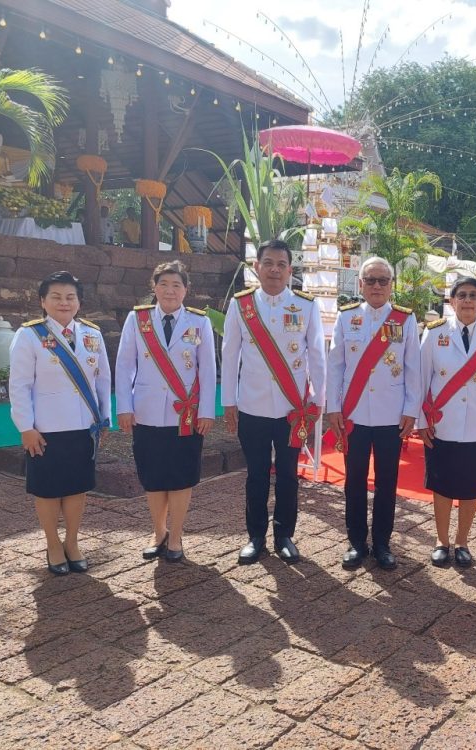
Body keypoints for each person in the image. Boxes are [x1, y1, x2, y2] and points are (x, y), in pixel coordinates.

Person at [222, 239, 325, 565]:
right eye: (268, 263)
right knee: (255, 474)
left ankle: (284, 536)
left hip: (291, 410)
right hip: (252, 406)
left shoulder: (305, 306)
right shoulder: (241, 305)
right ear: (257, 267)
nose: (275, 270)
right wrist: (228, 402)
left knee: (288, 474)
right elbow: (230, 355)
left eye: (281, 264)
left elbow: (317, 356)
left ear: (290, 270)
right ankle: (255, 537)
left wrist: (318, 401)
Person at [8, 271, 111, 575]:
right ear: (43, 301)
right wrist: (26, 427)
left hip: (84, 426)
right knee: (48, 490)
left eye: (70, 297)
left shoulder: (92, 334)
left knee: (77, 488)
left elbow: (103, 380)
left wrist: (103, 418)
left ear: (79, 302)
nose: (64, 303)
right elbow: (19, 385)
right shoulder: (29, 335)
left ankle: (72, 542)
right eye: (56, 297)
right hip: (45, 429)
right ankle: (53, 544)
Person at [115, 261, 216, 563]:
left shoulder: (199, 322)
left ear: (186, 290)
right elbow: (124, 365)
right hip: (146, 412)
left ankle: (176, 535)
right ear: (154, 287)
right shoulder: (138, 319)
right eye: (164, 284)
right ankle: (158, 531)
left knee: (182, 477)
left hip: (186, 414)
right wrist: (124, 406)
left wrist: (207, 411)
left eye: (176, 285)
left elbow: (208, 369)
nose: (170, 291)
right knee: (153, 476)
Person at [326, 257, 422, 570]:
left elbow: (413, 368)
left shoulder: (405, 319)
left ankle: (382, 543)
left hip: (390, 415)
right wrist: (333, 407)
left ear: (391, 285)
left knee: (387, 482)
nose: (377, 286)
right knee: (354, 480)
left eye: (383, 280)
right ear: (361, 284)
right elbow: (335, 365)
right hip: (354, 415)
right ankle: (356, 542)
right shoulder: (347, 317)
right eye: (370, 280)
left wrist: (411, 410)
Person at [416, 277, 476, 568]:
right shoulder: (435, 333)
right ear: (452, 301)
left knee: (471, 485)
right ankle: (441, 541)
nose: (467, 300)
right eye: (462, 295)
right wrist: (422, 422)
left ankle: (462, 542)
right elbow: (422, 379)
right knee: (442, 484)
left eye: (473, 295)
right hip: (442, 422)